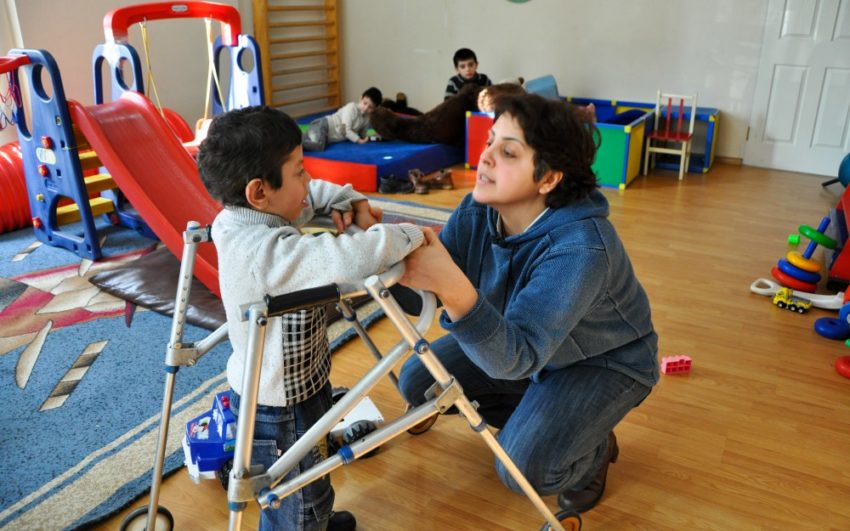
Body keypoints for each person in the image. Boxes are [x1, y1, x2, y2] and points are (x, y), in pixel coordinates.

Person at [396, 92, 658, 514]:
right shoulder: (478, 209)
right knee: (418, 382)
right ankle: (557, 421)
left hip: (602, 362)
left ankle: (591, 449)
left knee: (523, 469)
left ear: (549, 178)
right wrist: (379, 254)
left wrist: (455, 289)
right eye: (489, 141)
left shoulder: (581, 248)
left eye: (508, 152)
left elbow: (515, 357)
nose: (486, 158)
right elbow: (420, 295)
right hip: (524, 348)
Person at [197, 105, 424, 531]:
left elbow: (306, 198)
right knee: (298, 496)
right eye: (299, 171)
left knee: (309, 472)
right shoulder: (262, 252)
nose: (307, 180)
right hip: (279, 402)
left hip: (299, 381)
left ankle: (312, 516)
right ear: (259, 192)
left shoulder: (248, 214)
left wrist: (343, 197)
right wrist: (405, 235)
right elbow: (343, 258)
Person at [370, 82, 524, 147]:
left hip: (472, 104)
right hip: (470, 101)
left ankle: (399, 109)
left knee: (426, 120)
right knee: (426, 125)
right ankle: (394, 118)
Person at [303, 87, 383, 151]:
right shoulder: (351, 108)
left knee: (304, 139)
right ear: (361, 98)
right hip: (323, 125)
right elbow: (345, 130)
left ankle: (295, 143)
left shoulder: (367, 117)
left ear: (375, 109)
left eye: (370, 107)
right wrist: (358, 140)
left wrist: (371, 137)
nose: (365, 108)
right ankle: (298, 147)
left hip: (326, 137)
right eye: (364, 103)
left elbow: (362, 134)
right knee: (319, 146)